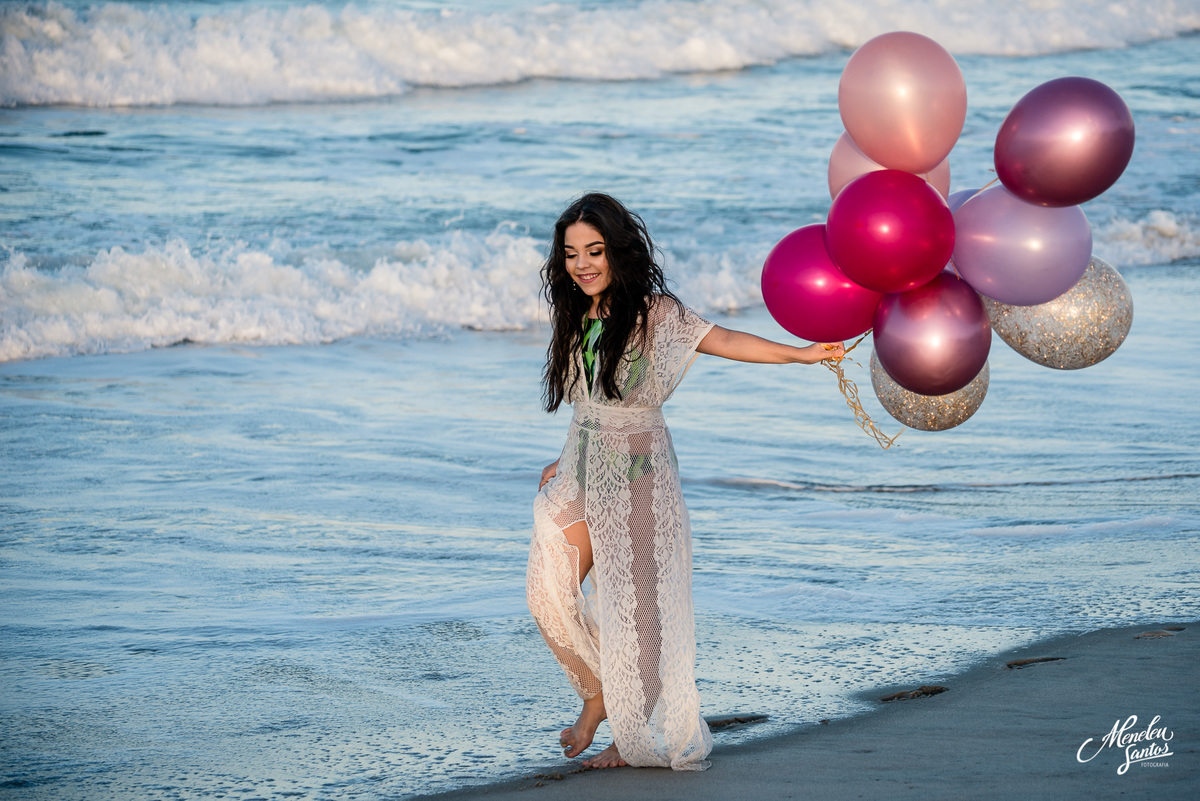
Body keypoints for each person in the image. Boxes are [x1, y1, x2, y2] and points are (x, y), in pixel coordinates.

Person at [526, 193, 845, 771]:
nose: (583, 264)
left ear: (618, 250)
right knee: (547, 591)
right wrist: (564, 456)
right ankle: (597, 692)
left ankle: (628, 732)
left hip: (638, 475)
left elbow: (724, 339)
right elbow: (591, 401)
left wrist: (799, 356)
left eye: (594, 250)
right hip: (580, 467)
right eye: (572, 254)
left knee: (638, 610)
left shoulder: (655, 314)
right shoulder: (576, 314)